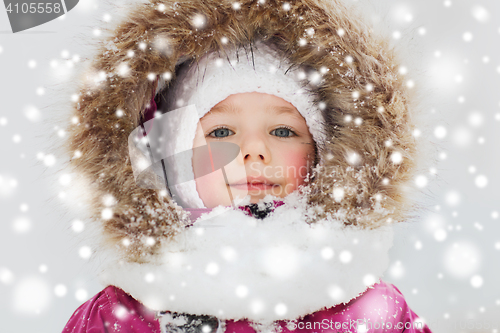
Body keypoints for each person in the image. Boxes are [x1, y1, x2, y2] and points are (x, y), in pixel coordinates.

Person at [62, 0, 433, 332]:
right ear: (173, 160)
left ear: (325, 156)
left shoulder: (367, 309)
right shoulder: (122, 315)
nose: (254, 151)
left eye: (283, 131)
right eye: (222, 131)